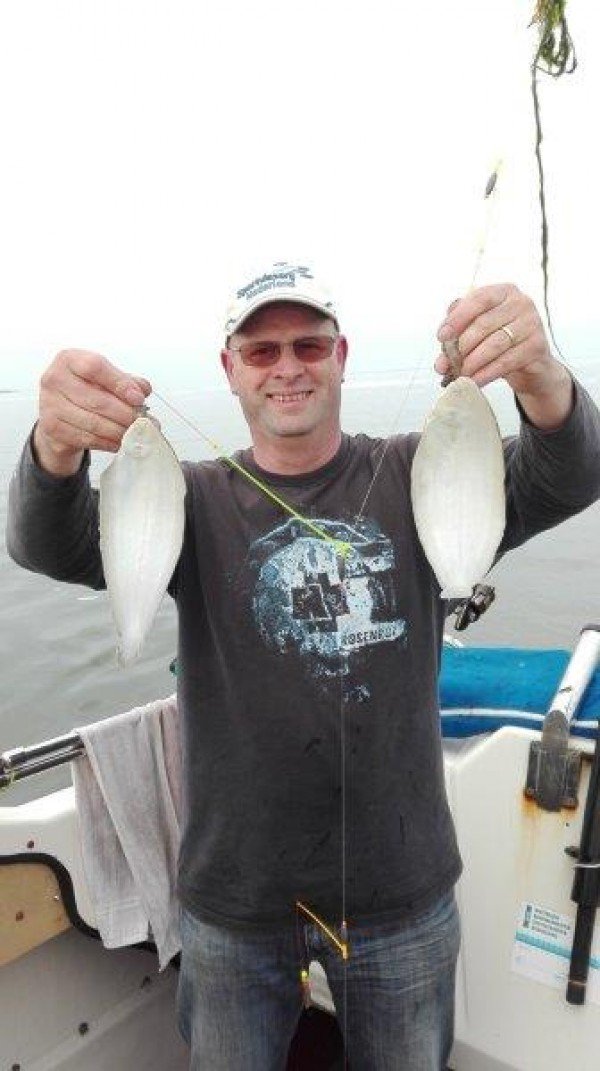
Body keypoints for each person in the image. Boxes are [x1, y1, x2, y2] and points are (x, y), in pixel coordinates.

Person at [7, 261, 600, 1070]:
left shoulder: (421, 474)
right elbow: (49, 542)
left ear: (341, 354)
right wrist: (53, 448)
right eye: (261, 351)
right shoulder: (187, 501)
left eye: (308, 344)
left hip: (403, 894)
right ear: (230, 369)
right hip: (231, 903)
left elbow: (567, 473)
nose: (287, 366)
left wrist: (543, 379)